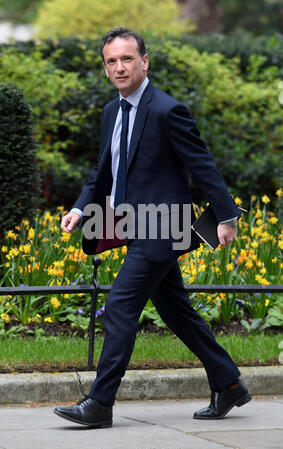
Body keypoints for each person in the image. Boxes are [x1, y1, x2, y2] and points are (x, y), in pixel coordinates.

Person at [54, 27, 251, 428]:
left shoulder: (167, 110)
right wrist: (79, 208)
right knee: (176, 311)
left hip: (164, 228)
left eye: (127, 58)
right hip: (134, 227)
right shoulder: (112, 112)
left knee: (121, 307)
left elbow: (203, 165)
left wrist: (226, 217)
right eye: (112, 61)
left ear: (145, 61)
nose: (119, 67)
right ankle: (229, 384)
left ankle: (99, 402)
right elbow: (102, 171)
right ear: (106, 68)